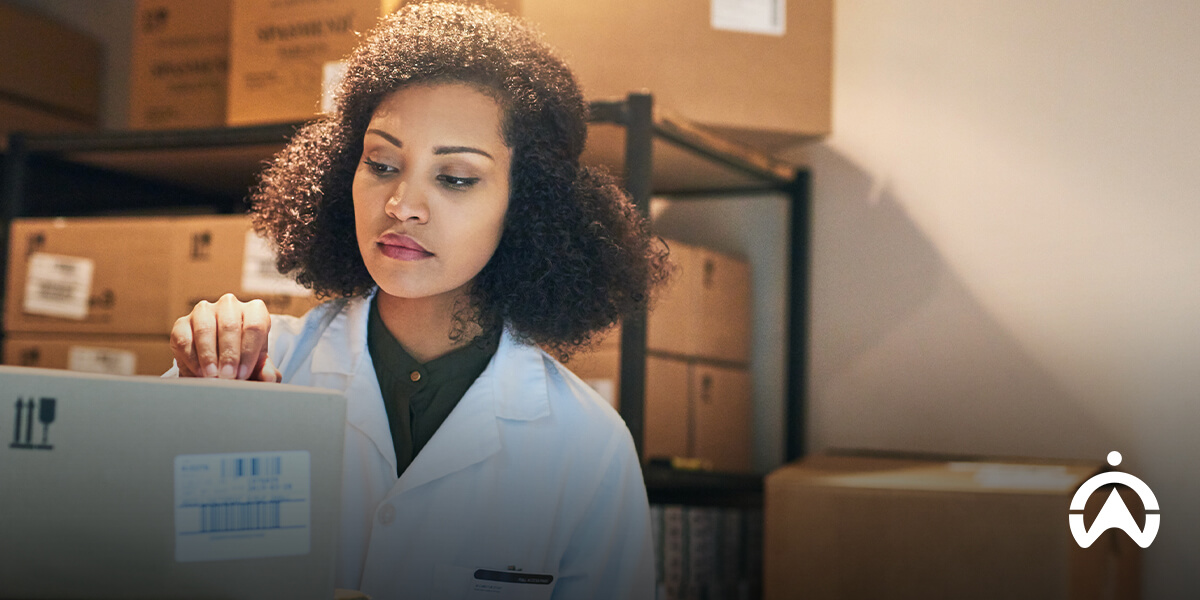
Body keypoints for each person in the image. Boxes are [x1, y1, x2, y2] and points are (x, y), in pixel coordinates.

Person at [165, 2, 671, 598]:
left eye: (455, 178)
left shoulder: (587, 446)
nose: (402, 204)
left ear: (531, 205)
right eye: (381, 163)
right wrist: (201, 417)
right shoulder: (248, 366)